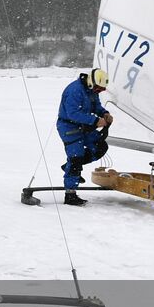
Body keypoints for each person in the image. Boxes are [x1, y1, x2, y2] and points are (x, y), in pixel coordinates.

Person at [56, 67, 112, 205]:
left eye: (101, 90)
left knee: (100, 147)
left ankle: (70, 167)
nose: (99, 92)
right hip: (68, 127)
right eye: (98, 89)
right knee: (76, 159)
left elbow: (96, 106)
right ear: (92, 83)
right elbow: (72, 113)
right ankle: (70, 195)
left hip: (84, 127)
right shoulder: (74, 91)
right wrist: (95, 121)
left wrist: (104, 113)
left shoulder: (91, 90)